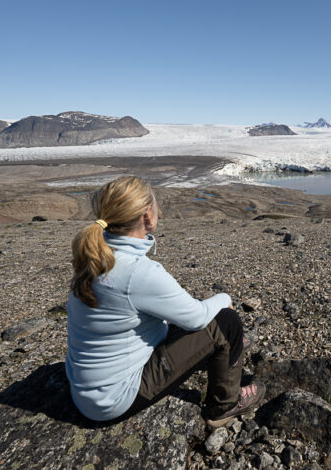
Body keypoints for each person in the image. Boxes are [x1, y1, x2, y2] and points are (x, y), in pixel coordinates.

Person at [65, 175, 264, 425]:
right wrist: (225, 298)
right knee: (226, 322)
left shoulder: (96, 255)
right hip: (114, 399)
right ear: (147, 216)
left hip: (86, 392)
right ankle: (224, 406)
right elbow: (196, 318)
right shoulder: (138, 272)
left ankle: (220, 355)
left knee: (188, 317)